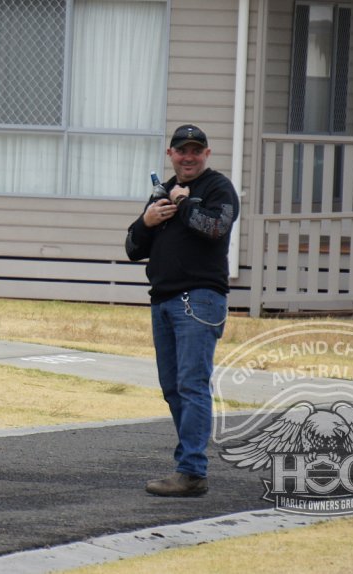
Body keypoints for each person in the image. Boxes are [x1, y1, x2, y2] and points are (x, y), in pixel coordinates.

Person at [124, 124, 239, 497]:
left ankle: (191, 470)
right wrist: (147, 221)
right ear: (170, 154)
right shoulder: (162, 193)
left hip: (199, 300)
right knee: (173, 389)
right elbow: (132, 246)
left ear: (206, 154)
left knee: (191, 385)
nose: (188, 157)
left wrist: (184, 202)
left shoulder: (218, 188)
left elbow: (216, 228)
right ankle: (188, 464)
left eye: (195, 150)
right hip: (163, 300)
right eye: (181, 151)